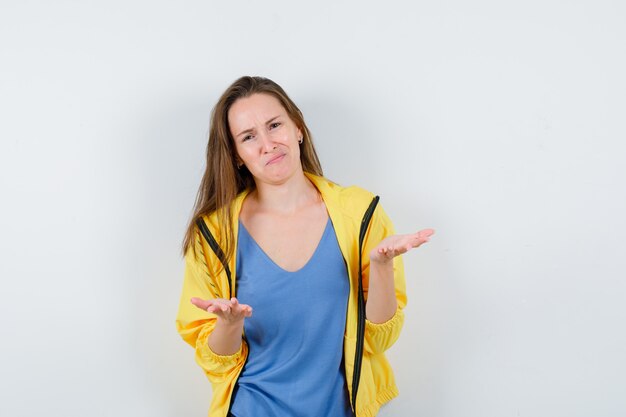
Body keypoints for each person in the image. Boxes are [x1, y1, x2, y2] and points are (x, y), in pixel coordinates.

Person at [176, 76, 434, 417]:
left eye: (274, 125)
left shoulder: (358, 213)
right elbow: (218, 363)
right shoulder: (213, 234)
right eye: (249, 137)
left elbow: (379, 339)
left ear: (297, 127)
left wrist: (382, 266)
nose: (268, 144)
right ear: (237, 155)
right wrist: (228, 323)